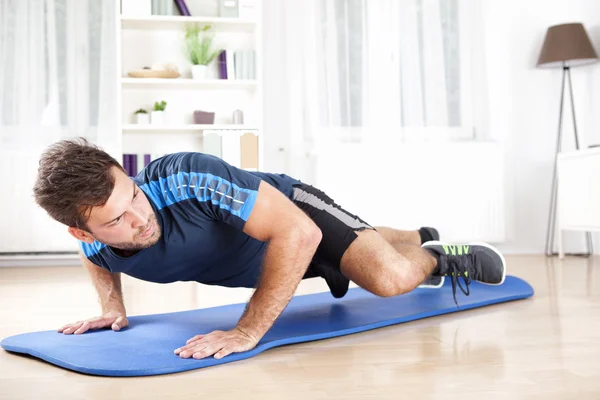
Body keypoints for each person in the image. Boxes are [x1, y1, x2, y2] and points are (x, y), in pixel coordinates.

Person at [33, 138, 506, 361]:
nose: (140, 216)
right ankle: (416, 235)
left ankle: (443, 257)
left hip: (296, 215)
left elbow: (298, 234)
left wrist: (246, 331)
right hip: (269, 255)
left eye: (132, 193)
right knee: (364, 248)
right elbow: (95, 258)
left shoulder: (188, 176)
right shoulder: (98, 246)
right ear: (85, 232)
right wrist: (111, 306)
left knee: (391, 280)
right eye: (117, 220)